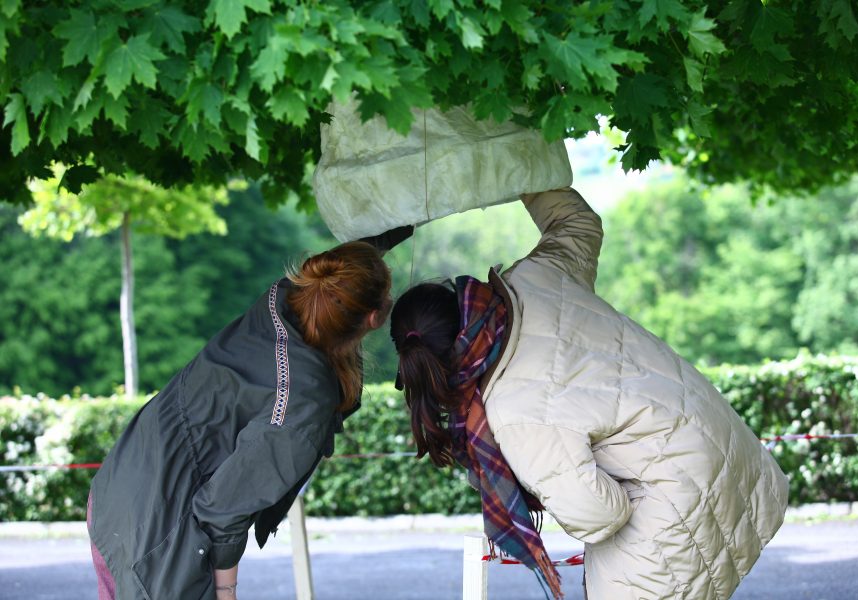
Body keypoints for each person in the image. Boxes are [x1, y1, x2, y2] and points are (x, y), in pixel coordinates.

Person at [390, 187, 790, 599]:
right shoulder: (539, 277)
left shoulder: (513, 412)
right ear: (459, 298)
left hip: (669, 505)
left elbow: (599, 515)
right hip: (720, 443)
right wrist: (522, 172)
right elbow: (576, 223)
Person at [87, 240, 393, 600]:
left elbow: (341, 272)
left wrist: (385, 236)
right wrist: (227, 592)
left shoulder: (277, 302)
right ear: (375, 318)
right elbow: (220, 513)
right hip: (159, 539)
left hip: (115, 493)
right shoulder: (304, 399)